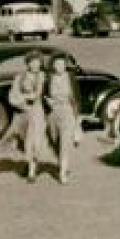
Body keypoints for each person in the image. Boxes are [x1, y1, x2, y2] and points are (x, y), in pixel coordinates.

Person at [8, 54, 48, 181]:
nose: (35, 65)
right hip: (23, 112)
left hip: (37, 112)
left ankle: (32, 171)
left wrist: (27, 96)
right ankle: (30, 163)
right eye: (32, 62)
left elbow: (39, 95)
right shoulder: (19, 77)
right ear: (28, 63)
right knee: (25, 141)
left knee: (36, 141)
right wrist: (24, 98)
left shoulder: (42, 76)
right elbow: (13, 96)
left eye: (38, 62)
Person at [45, 54, 79, 184]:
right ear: (53, 66)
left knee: (65, 143)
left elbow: (76, 98)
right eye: (57, 64)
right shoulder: (49, 78)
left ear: (65, 65)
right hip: (53, 113)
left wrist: (77, 119)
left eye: (62, 64)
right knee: (54, 140)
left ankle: (62, 172)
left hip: (67, 112)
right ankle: (60, 162)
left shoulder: (71, 78)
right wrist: (47, 101)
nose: (59, 66)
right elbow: (43, 94)